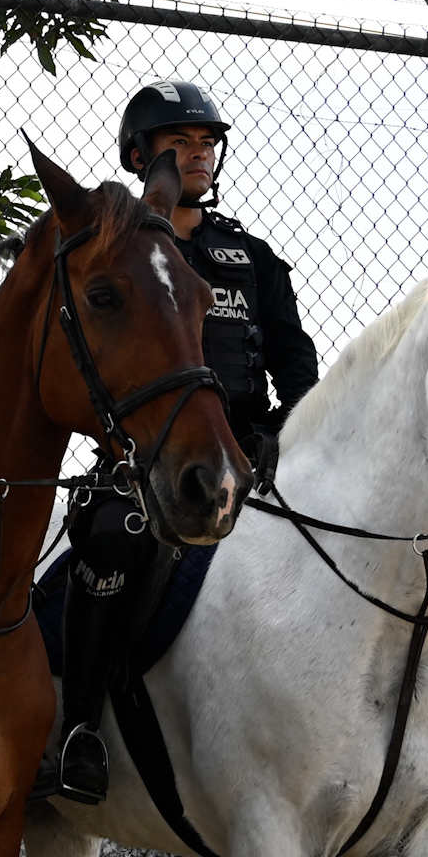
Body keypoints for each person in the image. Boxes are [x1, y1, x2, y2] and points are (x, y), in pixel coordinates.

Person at [52, 80, 319, 806]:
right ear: (142, 157)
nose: (197, 154)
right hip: (145, 459)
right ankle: (78, 729)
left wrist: (280, 431)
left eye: (206, 142)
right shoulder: (127, 251)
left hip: (248, 454)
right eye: (180, 143)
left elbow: (296, 361)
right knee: (111, 540)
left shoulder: (251, 258)